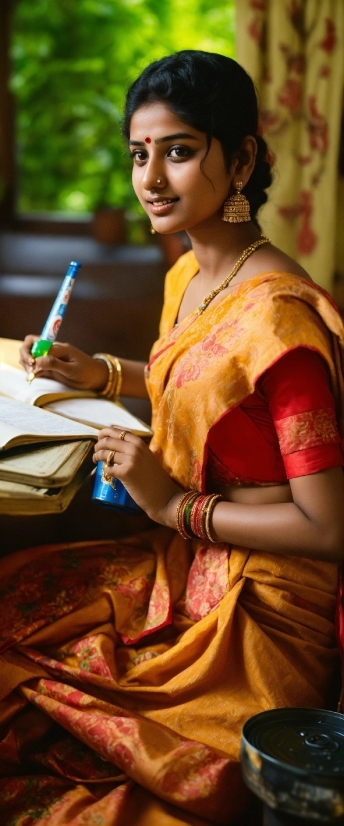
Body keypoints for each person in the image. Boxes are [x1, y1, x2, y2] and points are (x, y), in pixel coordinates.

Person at [1, 50, 344, 826]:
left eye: (180, 151)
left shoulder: (281, 322)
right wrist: (104, 376)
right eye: (138, 154)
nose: (151, 178)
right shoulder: (187, 278)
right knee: (16, 602)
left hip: (259, 621)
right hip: (185, 567)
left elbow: (329, 524)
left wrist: (174, 506)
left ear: (244, 158)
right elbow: (202, 390)